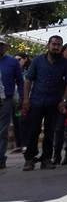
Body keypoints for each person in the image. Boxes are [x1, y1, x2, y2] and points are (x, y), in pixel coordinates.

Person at [22, 35, 67, 171]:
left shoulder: (65, 63)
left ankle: (46, 159)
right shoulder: (37, 61)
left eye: (58, 45)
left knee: (50, 132)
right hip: (36, 101)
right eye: (54, 44)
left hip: (54, 102)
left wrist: (64, 100)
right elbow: (28, 80)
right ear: (48, 45)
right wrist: (26, 99)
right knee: (33, 131)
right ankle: (29, 160)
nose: (56, 47)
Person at [0, 40, 24, 169]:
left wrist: (21, 98)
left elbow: (20, 81)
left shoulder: (12, 62)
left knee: (2, 130)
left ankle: (0, 158)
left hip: (6, 99)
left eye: (1, 45)